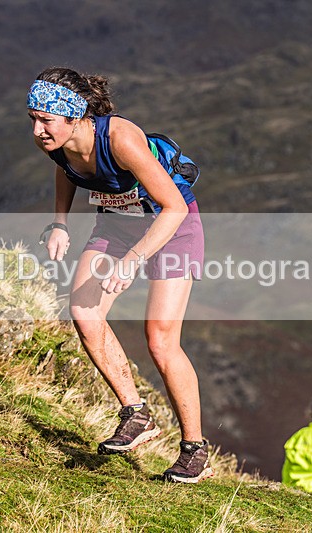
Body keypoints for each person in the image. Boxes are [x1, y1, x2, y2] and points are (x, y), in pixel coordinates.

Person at [27, 67, 212, 483]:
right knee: (83, 310)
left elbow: (175, 208)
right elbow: (68, 170)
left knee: (160, 340)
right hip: (116, 224)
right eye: (32, 119)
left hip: (173, 226)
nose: (38, 130)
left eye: (46, 120)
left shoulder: (120, 139)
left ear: (74, 117)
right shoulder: (57, 142)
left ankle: (194, 450)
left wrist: (131, 260)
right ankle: (136, 413)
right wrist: (60, 223)